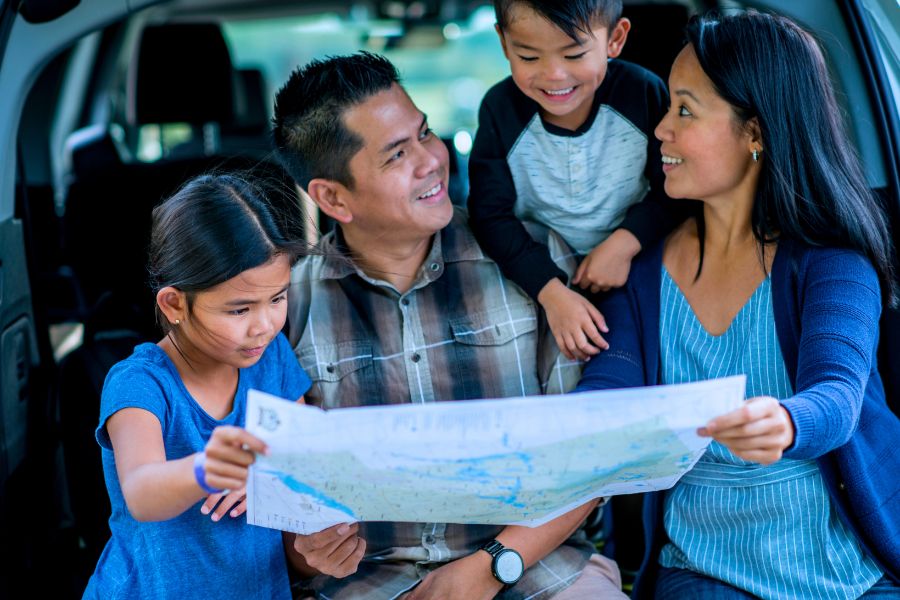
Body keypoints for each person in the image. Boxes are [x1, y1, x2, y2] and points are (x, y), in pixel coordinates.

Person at [272, 52, 626, 599]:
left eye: (425, 133)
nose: (432, 160)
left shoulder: (532, 264)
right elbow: (284, 513)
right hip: (370, 585)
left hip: (535, 565)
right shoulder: (285, 306)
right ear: (333, 197)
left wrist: (486, 570)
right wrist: (304, 552)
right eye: (396, 155)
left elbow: (592, 460)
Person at [574, 10, 900, 600]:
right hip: (705, 566)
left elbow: (838, 395)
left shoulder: (834, 262)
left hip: (848, 564)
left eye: (685, 111)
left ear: (755, 133)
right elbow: (604, 391)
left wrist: (787, 420)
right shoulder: (641, 270)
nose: (660, 130)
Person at [83, 174, 312, 599]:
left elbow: (305, 449)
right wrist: (208, 468)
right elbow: (142, 490)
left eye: (278, 298)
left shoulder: (273, 358)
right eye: (239, 309)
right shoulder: (140, 383)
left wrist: (273, 473)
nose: (264, 326)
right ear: (174, 304)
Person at [468, 0, 687, 362]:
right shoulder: (500, 109)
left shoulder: (642, 94)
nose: (554, 75)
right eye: (528, 57)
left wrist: (625, 243)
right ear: (504, 44)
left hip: (639, 259)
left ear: (614, 39)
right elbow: (489, 214)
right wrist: (550, 291)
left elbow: (676, 188)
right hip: (537, 274)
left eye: (574, 56)